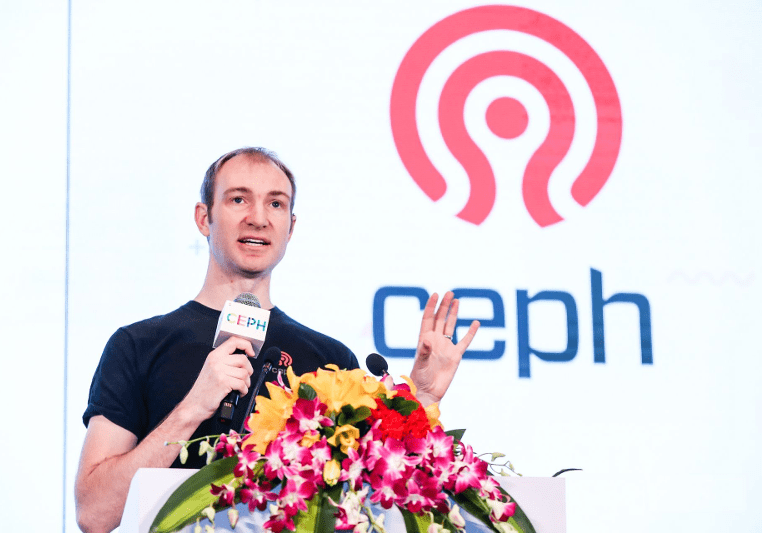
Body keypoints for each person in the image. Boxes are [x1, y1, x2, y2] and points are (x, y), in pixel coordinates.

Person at [74, 147, 480, 533]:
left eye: (275, 204)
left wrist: (422, 398)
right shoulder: (138, 345)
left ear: (291, 227)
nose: (258, 218)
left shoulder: (332, 361)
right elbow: (95, 514)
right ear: (203, 218)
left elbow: (375, 498)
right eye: (238, 199)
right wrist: (193, 407)